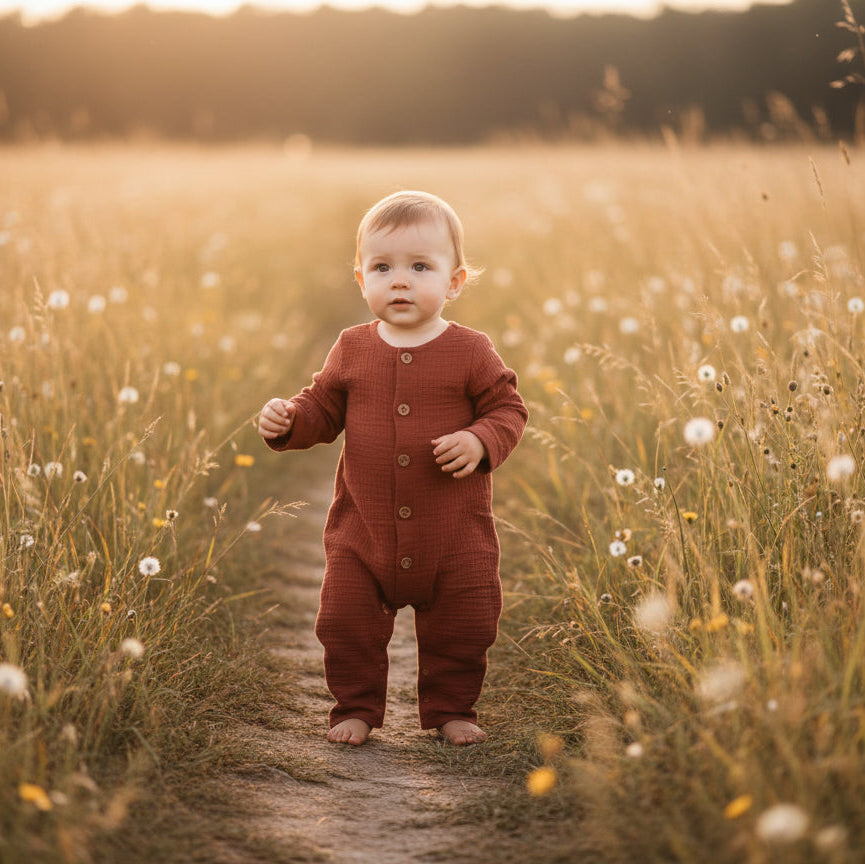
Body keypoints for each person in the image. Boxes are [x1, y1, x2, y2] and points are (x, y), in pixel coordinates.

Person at [258, 190, 527, 746]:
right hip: (364, 532)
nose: (399, 280)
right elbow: (324, 408)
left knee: (465, 623)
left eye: (420, 267)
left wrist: (480, 441)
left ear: (455, 281)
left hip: (454, 535)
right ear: (361, 278)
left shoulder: (472, 351)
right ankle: (354, 707)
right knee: (345, 620)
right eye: (382, 267)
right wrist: (290, 420)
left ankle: (453, 709)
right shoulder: (352, 348)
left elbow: (508, 409)